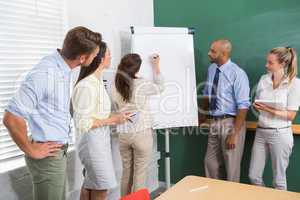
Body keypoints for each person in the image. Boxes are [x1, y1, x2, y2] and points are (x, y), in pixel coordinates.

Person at [2, 26, 101, 200]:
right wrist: (31, 150)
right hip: (47, 157)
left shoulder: (63, 68)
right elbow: (11, 118)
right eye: (94, 55)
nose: (95, 59)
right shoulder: (46, 73)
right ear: (82, 57)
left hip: (55, 153)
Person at [72, 42, 132, 200]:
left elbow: (95, 113)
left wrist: (117, 116)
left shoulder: (96, 82)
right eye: (109, 54)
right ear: (100, 59)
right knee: (101, 187)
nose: (111, 57)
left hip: (99, 142)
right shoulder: (86, 85)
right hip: (92, 145)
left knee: (91, 184)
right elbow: (83, 122)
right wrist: (113, 119)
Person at [112, 53, 165, 196]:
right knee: (140, 174)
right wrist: (156, 66)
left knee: (126, 172)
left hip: (124, 134)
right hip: (141, 133)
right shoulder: (142, 83)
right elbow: (161, 87)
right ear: (136, 69)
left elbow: (115, 106)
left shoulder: (116, 84)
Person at [249, 47, 300, 190]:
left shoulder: (295, 84)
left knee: (279, 180)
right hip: (261, 132)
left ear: (282, 64)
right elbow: (258, 101)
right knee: (254, 176)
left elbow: (290, 115)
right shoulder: (263, 79)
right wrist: (259, 106)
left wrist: (267, 108)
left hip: (280, 133)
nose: (266, 65)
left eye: (270, 63)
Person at [200, 39, 250, 182]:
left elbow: (243, 106)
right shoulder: (212, 69)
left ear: (224, 53)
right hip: (214, 121)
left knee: (231, 168)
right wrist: (202, 115)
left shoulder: (237, 74)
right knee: (211, 164)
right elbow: (206, 93)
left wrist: (234, 134)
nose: (209, 54)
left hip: (231, 123)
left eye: (213, 51)